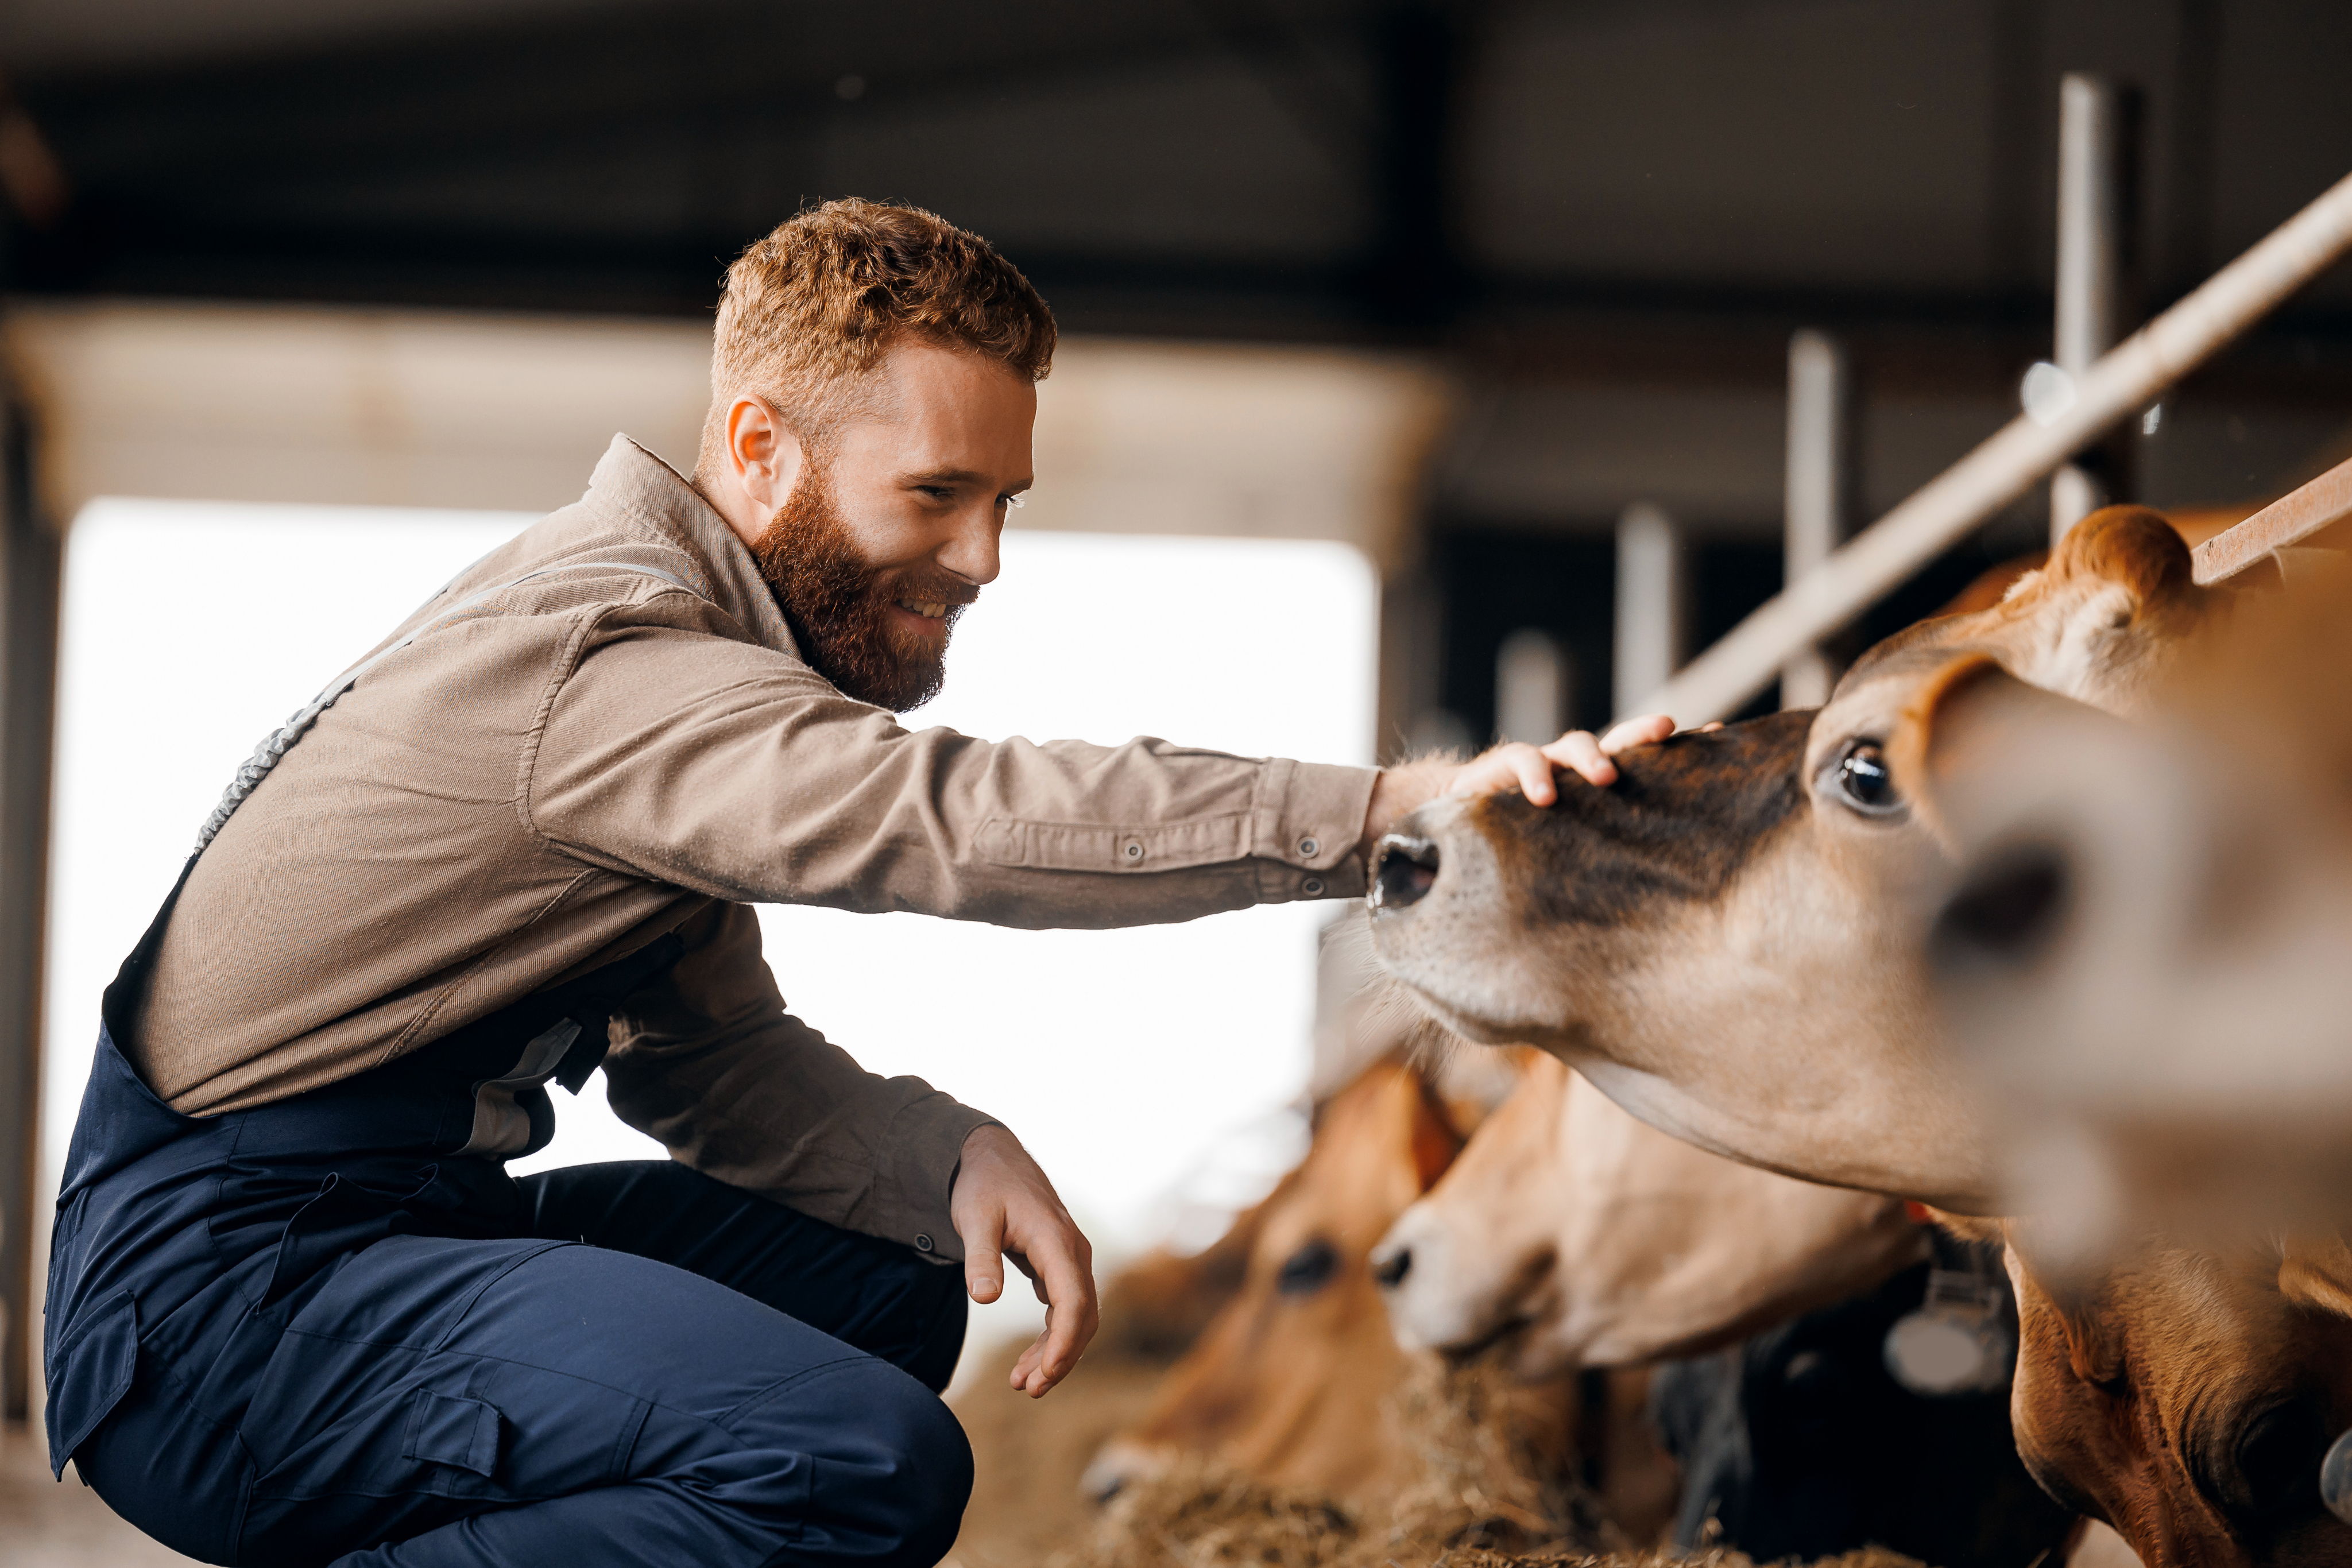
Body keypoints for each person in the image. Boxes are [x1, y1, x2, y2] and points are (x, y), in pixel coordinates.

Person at [43, 199, 1670, 1568]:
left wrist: (937, 1150)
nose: (985, 561)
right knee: (859, 1456)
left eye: (1004, 502)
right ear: (762, 448)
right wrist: (1392, 810)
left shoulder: (681, 674)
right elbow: (946, 816)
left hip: (379, 1233)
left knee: (884, 1286)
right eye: (937, 495)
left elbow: (708, 1058)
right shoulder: (603, 666)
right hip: (219, 1311)